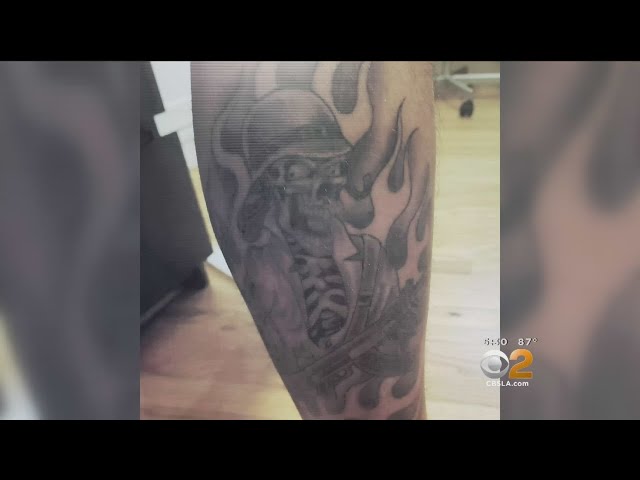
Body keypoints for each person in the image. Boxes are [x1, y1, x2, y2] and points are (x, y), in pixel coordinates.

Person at [191, 61, 435, 419]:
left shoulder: (371, 257)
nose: (326, 190)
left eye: (334, 170)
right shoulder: (265, 270)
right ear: (271, 184)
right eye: (301, 172)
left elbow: (395, 359)